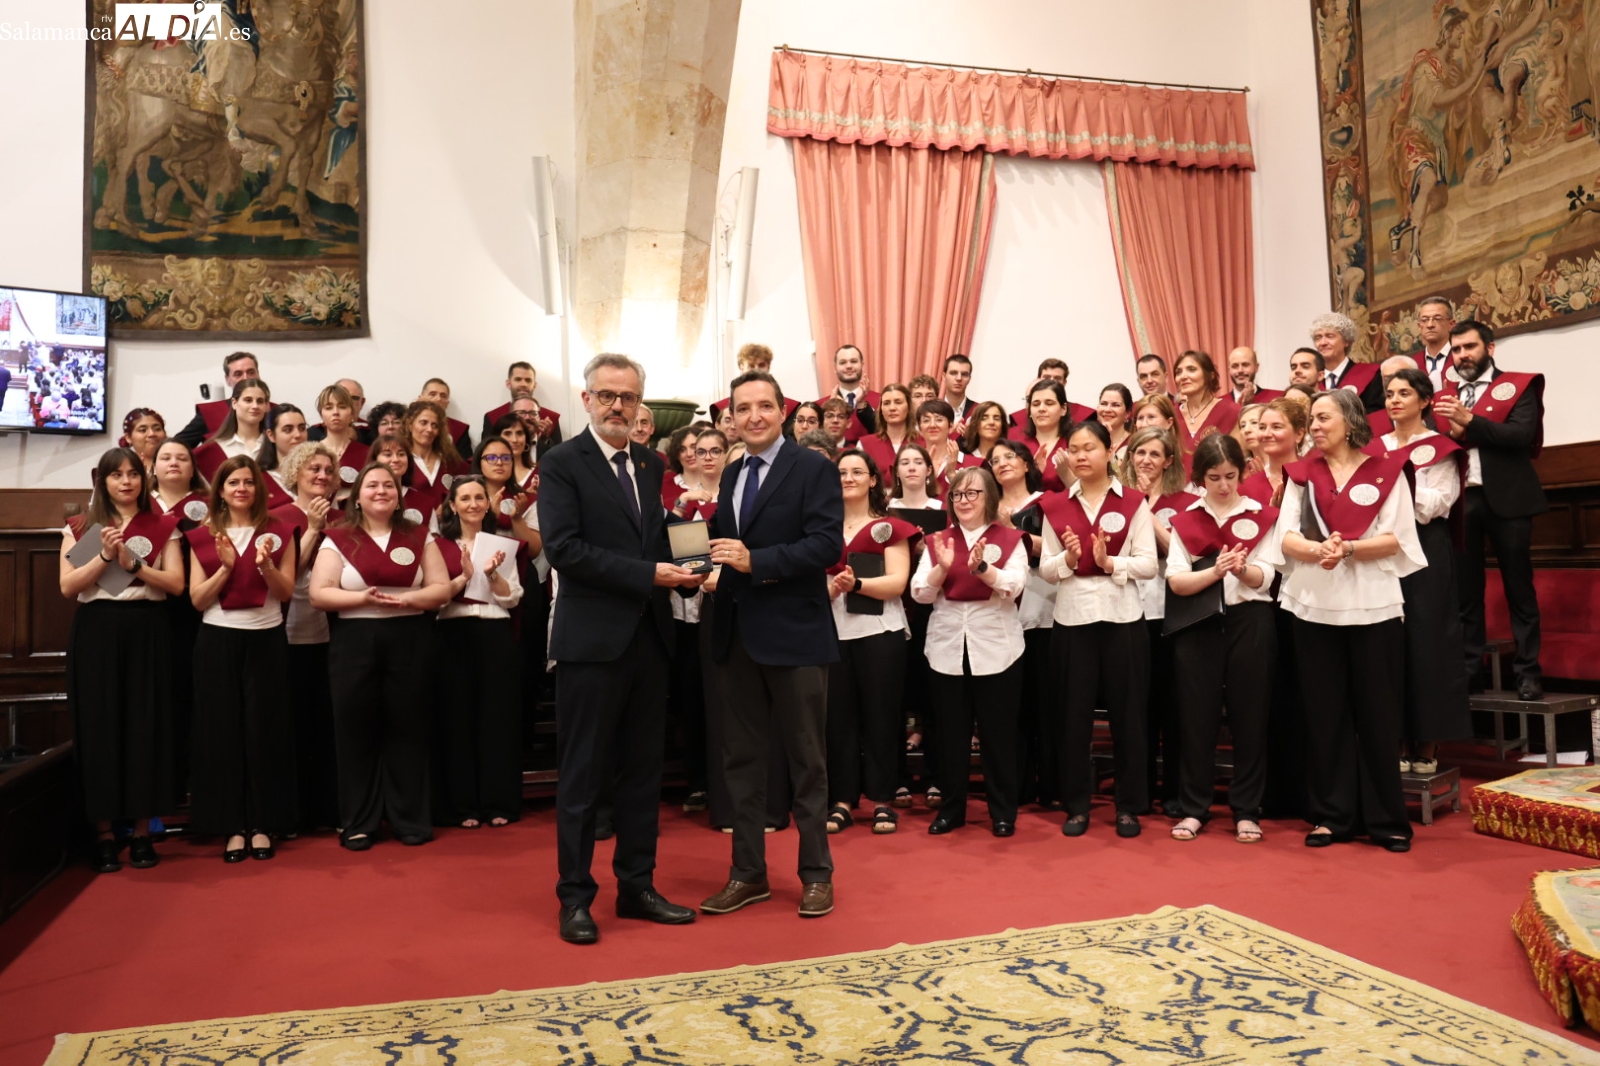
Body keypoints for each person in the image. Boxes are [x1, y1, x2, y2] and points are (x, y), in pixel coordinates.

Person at [539, 353, 702, 944]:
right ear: (586, 399)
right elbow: (564, 550)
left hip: (648, 641)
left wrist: (693, 556)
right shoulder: (561, 463)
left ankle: (636, 886)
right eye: (606, 395)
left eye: (627, 397)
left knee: (641, 775)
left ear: (640, 405)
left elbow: (656, 533)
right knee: (583, 777)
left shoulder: (650, 461)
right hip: (591, 643)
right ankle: (575, 898)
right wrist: (651, 575)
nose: (617, 406)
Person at [702, 370, 843, 919]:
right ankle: (748, 873)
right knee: (741, 761)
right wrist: (697, 560)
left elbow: (826, 544)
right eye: (743, 408)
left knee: (807, 760)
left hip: (797, 634)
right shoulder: (733, 471)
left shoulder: (811, 466)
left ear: (782, 411)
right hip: (736, 634)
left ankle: (816, 874)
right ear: (731, 416)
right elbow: (723, 542)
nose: (753, 416)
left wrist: (755, 561)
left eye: (764, 406)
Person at [1262, 389, 1424, 852]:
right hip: (1314, 604)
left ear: (1350, 423)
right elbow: (1286, 535)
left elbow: (1397, 537)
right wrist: (1319, 551)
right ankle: (1332, 816)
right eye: (1311, 419)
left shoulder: (1387, 471)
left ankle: (1387, 820)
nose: (1313, 426)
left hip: (1373, 605)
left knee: (1378, 715)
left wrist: (1348, 549)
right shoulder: (1301, 475)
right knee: (1325, 715)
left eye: (1322, 418)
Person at [310, 463, 453, 851]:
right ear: (356, 495)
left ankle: (410, 820)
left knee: (409, 728)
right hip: (353, 639)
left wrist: (406, 599)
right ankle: (358, 822)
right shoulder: (338, 537)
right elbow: (319, 593)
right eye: (371, 485)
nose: (380, 491)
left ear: (398, 494)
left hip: (410, 636)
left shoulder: (419, 535)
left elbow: (440, 588)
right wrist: (362, 598)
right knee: (356, 731)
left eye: (388, 485)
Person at [60, 448, 186, 873]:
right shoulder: (83, 526)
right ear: (104, 481)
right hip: (97, 631)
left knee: (146, 727)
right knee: (100, 728)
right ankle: (104, 836)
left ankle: (143, 835)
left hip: (147, 628)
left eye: (134, 474)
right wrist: (103, 557)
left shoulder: (162, 525)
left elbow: (175, 584)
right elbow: (67, 586)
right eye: (117, 475)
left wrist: (135, 564)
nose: (127, 482)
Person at [1041, 420, 1156, 838]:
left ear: (1110, 452)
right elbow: (1046, 570)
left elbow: (1148, 563)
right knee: (1073, 718)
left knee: (1129, 717)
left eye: (1090, 448)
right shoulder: (1056, 506)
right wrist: (1070, 561)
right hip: (1073, 620)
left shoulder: (1134, 503)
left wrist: (1110, 564)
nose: (1082, 456)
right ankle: (1076, 805)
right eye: (1074, 449)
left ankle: (1129, 806)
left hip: (1123, 618)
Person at [1165, 434, 1279, 844]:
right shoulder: (1184, 519)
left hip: (1251, 620)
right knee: (1197, 717)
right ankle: (1194, 807)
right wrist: (1215, 571)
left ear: (1243, 471)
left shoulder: (1262, 515)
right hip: (1198, 623)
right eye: (1214, 477)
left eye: (1231, 475)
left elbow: (1267, 576)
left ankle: (1247, 809)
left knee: (1251, 715)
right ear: (1200, 478)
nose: (1224, 486)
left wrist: (1241, 570)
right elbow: (1176, 580)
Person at [186, 456, 297, 862]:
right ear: (220, 490)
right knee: (223, 733)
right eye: (233, 482)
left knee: (264, 731)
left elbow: (285, 594)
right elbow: (197, 599)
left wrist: (266, 566)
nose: (241, 489)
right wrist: (226, 570)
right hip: (217, 640)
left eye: (248, 482)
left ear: (259, 489)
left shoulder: (281, 532)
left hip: (266, 639)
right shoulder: (203, 535)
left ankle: (264, 823)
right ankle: (232, 826)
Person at [1433, 319, 1547, 700]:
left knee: (1519, 589)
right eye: (1457, 349)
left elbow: (1521, 436)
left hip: (1509, 500)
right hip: (1462, 500)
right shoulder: (1443, 395)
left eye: (1470, 347)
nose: (1463, 355)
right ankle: (1470, 673)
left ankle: (1528, 672)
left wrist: (1470, 423)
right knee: (1466, 594)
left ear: (1490, 348)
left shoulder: (1518, 386)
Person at [911, 466, 1027, 836]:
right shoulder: (937, 542)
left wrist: (982, 568)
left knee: (998, 735)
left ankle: (1003, 812)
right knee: (949, 735)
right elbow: (920, 593)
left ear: (989, 497)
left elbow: (1014, 586)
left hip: (997, 645)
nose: (964, 501)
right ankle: (951, 809)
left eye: (973, 493)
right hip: (946, 645)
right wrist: (941, 570)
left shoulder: (1010, 539)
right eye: (958, 494)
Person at [1381, 368, 1471, 771]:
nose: (1394, 400)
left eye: (1404, 393)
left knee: (1427, 641)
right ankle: (1396, 736)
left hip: (1426, 548)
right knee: (1388, 641)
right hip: (1381, 551)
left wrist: (1399, 486)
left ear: (1425, 401)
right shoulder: (1374, 447)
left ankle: (1428, 741)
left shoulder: (1440, 447)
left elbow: (1439, 503)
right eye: (1389, 393)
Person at [825, 451, 914, 834]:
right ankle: (843, 800)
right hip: (832, 631)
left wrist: (857, 584)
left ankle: (882, 800)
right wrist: (827, 589)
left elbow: (897, 582)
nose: (848, 477)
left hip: (881, 633)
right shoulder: (821, 528)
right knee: (837, 720)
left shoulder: (890, 527)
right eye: (841, 472)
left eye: (856, 471)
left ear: (873, 480)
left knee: (881, 717)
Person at [434, 476, 525, 828]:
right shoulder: (439, 546)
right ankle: (463, 805)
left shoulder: (500, 545)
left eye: (479, 498)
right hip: (453, 632)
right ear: (452, 506)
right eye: (465, 498)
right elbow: (435, 594)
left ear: (488, 504)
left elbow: (512, 596)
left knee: (497, 716)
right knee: (456, 717)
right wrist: (463, 576)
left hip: (494, 632)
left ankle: (498, 802)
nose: (473, 504)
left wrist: (490, 575)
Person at [1121, 427, 1193, 812]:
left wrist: (1143, 510)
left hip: (1173, 613)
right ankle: (1140, 790)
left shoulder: (1188, 500)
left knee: (1174, 705)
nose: (1145, 460)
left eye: (1154, 454)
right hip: (1132, 611)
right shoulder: (1120, 501)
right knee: (1137, 705)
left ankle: (1175, 792)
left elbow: (1181, 551)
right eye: (1139, 452)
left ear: (1169, 460)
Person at [271, 441, 341, 831]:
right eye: (313, 469)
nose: (321, 476)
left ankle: (328, 810)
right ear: (295, 473)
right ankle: (293, 813)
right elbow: (287, 575)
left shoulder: (344, 517)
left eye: (328, 471)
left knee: (325, 724)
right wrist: (313, 530)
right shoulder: (278, 517)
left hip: (332, 632)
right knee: (293, 723)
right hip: (287, 628)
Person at [987, 439, 1055, 808]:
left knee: (1044, 701)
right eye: (994, 460)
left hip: (1041, 608)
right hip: (998, 612)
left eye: (1008, 457)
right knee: (1010, 706)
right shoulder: (983, 506)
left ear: (1027, 462)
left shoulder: (1047, 502)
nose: (1001, 464)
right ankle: (1017, 785)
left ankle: (1050, 786)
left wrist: (1012, 532)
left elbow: (1056, 549)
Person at [192, 378, 271, 482]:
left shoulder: (276, 445)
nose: (255, 406)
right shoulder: (214, 448)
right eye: (248, 400)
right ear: (234, 403)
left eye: (260, 401)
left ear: (266, 406)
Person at [1173, 350, 1240, 471]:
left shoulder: (1232, 411)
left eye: (1191, 369)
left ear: (1210, 375)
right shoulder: (1170, 415)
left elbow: (1238, 460)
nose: (1183, 376)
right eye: (1178, 372)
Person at [173, 351, 258, 447]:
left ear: (258, 374)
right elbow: (176, 446)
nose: (246, 378)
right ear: (227, 380)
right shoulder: (210, 413)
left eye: (251, 372)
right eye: (238, 374)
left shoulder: (274, 412)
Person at [709, 343, 801, 427]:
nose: (756, 370)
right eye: (751, 366)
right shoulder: (721, 408)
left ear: (768, 366)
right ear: (741, 366)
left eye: (761, 365)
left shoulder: (790, 407)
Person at [1310, 312, 1383, 412]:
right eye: (1318, 337)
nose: (1323, 343)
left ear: (1346, 341)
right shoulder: (1312, 380)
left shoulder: (1370, 374)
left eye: (1330, 336)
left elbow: (1376, 416)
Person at [404, 399, 468, 513]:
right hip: (412, 527)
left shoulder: (451, 462)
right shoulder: (399, 461)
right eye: (423, 422)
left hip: (449, 528)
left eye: (434, 425)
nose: (429, 429)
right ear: (410, 425)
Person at [482, 361, 562, 452]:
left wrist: (544, 439)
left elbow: (559, 456)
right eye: (518, 379)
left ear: (534, 385)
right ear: (509, 384)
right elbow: (486, 453)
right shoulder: (492, 417)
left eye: (528, 380)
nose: (523, 384)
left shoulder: (550, 418)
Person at [818, 344, 879, 444]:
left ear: (862, 365)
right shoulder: (820, 405)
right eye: (842, 362)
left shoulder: (881, 401)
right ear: (835, 368)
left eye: (854, 361)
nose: (849, 366)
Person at [315, 384, 370, 493]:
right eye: (329, 407)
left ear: (351, 414)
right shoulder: (311, 453)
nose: (335, 412)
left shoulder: (367, 454)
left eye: (342, 406)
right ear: (322, 414)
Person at [916, 399, 978, 495]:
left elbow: (975, 500)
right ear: (920, 429)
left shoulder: (973, 465)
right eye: (926, 420)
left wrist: (952, 475)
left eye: (939, 420)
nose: (932, 425)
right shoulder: (911, 463)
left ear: (951, 427)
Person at [1020, 380, 1072, 492]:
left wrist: (1066, 474)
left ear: (1063, 409)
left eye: (1049, 403)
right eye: (1036, 404)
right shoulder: (1017, 445)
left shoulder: (1074, 443)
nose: (1041, 409)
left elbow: (1088, 490)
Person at [1008, 358, 1087, 430]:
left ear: (1064, 382)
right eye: (1046, 377)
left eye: (1057, 378)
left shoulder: (1084, 415)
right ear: (1038, 379)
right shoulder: (1018, 418)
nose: (1051, 381)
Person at [857, 383, 915, 472]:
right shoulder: (864, 445)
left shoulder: (923, 442)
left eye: (898, 402)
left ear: (909, 407)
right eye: (886, 403)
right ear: (881, 410)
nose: (892, 408)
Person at [418, 377, 474, 456]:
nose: (438, 399)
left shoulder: (459, 429)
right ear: (420, 398)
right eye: (432, 394)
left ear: (447, 403)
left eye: (443, 396)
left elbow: (465, 463)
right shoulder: (407, 423)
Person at [1412, 296, 1455, 390]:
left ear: (1451, 324)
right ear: (1419, 326)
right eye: (1424, 320)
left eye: (1438, 319)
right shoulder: (1411, 365)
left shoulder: (1462, 357)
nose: (1430, 325)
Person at [120, 408, 166, 475]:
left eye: (157, 429)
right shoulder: (120, 467)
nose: (152, 434)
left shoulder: (174, 464)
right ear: (128, 437)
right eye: (143, 430)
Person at [1097, 384, 1133, 458]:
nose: (1107, 410)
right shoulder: (1088, 440)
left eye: (1115, 405)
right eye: (1103, 404)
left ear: (1127, 413)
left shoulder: (1134, 443)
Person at [942, 354, 978, 429]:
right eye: (953, 373)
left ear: (969, 378)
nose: (959, 378)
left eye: (964, 374)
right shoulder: (931, 410)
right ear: (944, 376)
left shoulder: (978, 411)